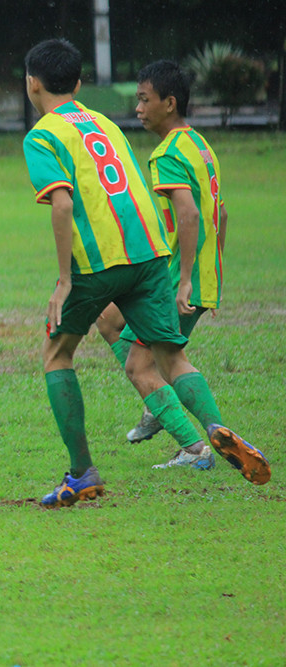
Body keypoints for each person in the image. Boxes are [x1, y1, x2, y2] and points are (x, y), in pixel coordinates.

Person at [21, 39, 270, 508]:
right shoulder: (107, 124)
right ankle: (215, 426)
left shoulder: (43, 135)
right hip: (151, 255)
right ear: (77, 83)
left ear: (33, 83)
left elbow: (62, 203)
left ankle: (82, 473)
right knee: (170, 356)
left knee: (57, 353)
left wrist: (65, 279)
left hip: (99, 262)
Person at [96, 60, 231, 453]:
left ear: (169, 103)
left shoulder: (167, 155)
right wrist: (212, 271)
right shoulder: (200, 146)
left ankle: (197, 445)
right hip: (198, 273)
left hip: (174, 278)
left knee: (145, 366)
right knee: (108, 317)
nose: (138, 108)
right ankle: (165, 403)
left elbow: (189, 214)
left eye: (144, 100)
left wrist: (186, 279)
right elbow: (219, 213)